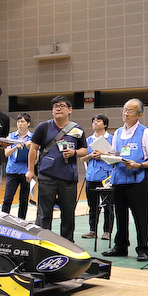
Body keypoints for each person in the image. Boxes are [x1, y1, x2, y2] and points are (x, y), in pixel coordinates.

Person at [100, 99, 148, 262]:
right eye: (124, 110)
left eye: (130, 111)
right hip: (119, 179)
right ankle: (120, 246)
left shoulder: (146, 133)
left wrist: (139, 165)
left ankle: (142, 249)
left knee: (140, 215)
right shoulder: (118, 132)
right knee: (120, 214)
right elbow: (114, 153)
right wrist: (106, 156)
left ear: (139, 114)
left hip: (137, 180)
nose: (125, 113)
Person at [26, 96, 87, 242]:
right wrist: (30, 170)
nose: (58, 109)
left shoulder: (77, 129)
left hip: (68, 179)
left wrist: (75, 153)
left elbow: (85, 149)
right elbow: (33, 149)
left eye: (62, 106)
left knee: (68, 214)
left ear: (70, 110)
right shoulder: (43, 127)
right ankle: (42, 242)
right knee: (44, 213)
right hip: (47, 176)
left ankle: (66, 244)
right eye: (55, 107)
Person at [79, 114, 114, 241]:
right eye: (93, 121)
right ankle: (92, 230)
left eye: (98, 121)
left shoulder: (112, 138)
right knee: (92, 205)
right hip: (91, 176)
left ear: (105, 124)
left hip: (107, 176)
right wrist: (91, 155)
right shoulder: (88, 140)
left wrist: (103, 154)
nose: (95, 123)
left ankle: (107, 231)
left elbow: (116, 156)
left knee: (108, 205)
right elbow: (82, 157)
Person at [1, 113, 32, 219]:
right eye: (18, 121)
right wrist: (15, 147)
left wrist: (30, 148)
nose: (20, 124)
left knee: (24, 200)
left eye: (22, 121)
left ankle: (21, 221)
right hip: (12, 171)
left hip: (26, 171)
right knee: (7, 199)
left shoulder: (33, 138)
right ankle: (4, 220)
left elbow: (36, 156)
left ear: (28, 123)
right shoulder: (11, 136)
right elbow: (6, 153)